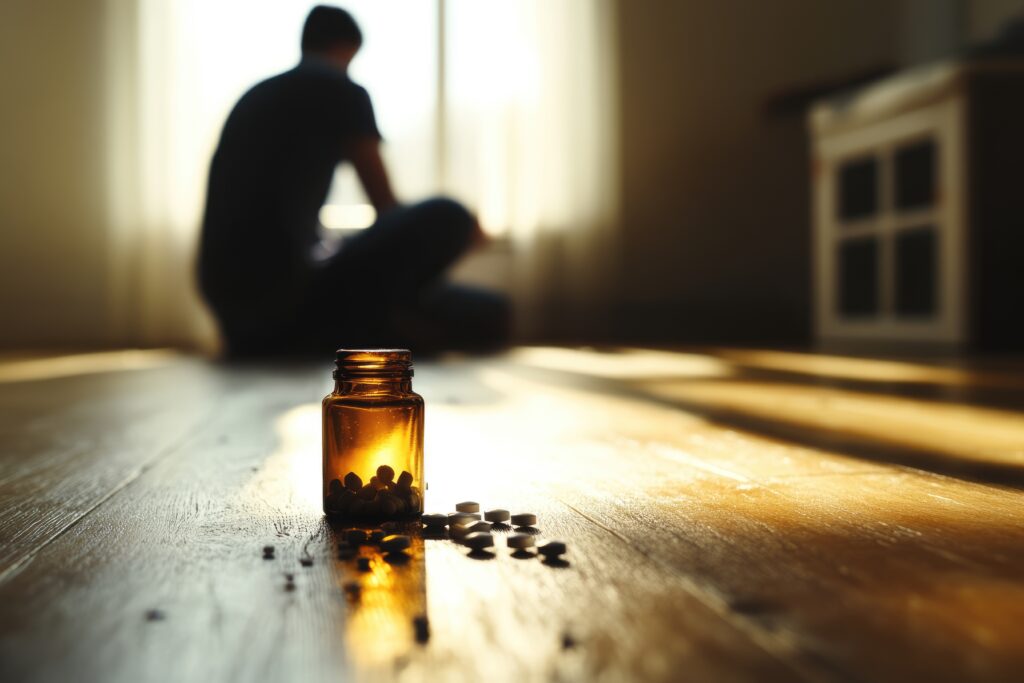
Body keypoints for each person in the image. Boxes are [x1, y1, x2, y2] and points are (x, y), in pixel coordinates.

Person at [198, 5, 509, 357]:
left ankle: (388, 325)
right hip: (291, 302)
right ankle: (387, 326)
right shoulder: (341, 90)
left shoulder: (257, 95)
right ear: (348, 49)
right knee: (450, 215)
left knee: (477, 307)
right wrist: (467, 228)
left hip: (236, 314)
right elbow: (386, 207)